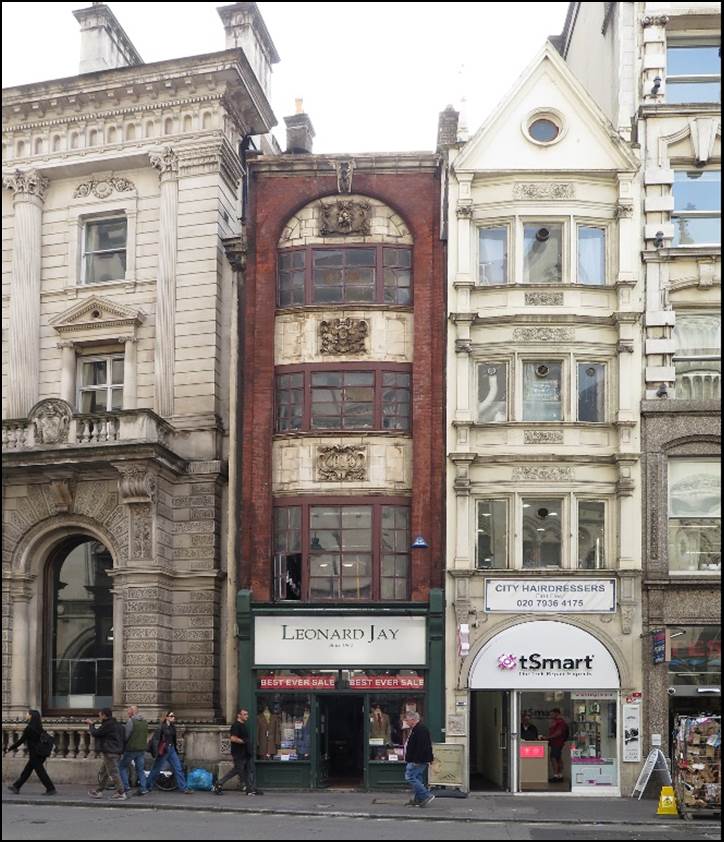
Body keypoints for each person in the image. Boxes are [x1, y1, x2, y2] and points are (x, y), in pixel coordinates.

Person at [6, 710, 57, 795]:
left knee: (40, 772)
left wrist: (10, 748)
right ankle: (16, 786)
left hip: (35, 754)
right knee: (27, 771)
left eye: (27, 714)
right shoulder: (39, 727)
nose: (26, 715)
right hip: (40, 753)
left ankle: (51, 788)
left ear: (31, 716)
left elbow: (21, 741)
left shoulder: (29, 728)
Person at [213, 708, 261, 796]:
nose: (247, 716)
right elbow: (232, 738)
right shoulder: (236, 725)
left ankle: (251, 789)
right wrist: (243, 741)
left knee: (250, 770)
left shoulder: (243, 725)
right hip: (239, 754)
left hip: (246, 753)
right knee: (237, 770)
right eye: (244, 714)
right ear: (239, 715)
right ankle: (219, 783)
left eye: (247, 714)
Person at [146, 711, 192, 794]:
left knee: (178, 768)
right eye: (171, 716)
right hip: (163, 750)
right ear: (166, 717)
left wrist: (175, 749)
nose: (173, 717)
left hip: (171, 749)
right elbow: (155, 740)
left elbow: (173, 739)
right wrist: (156, 752)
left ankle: (184, 788)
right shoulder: (161, 727)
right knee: (156, 769)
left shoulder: (172, 727)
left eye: (173, 716)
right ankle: (147, 786)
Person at [86, 707, 126, 800]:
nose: (99, 717)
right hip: (117, 752)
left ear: (104, 715)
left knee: (113, 772)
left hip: (110, 752)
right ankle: (99, 791)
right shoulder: (118, 725)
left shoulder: (108, 725)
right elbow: (124, 738)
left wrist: (91, 725)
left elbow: (96, 733)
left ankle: (121, 792)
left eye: (100, 715)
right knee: (104, 772)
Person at [403, 711, 435, 808]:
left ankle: (426, 795)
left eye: (407, 720)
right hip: (416, 759)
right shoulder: (416, 729)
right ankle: (418, 799)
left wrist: (416, 760)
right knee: (417, 778)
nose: (406, 722)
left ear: (413, 719)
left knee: (410, 777)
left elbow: (422, 747)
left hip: (417, 760)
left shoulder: (420, 730)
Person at [118, 704, 149, 796]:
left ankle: (126, 787)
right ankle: (143, 788)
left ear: (132, 712)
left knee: (122, 767)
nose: (127, 712)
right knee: (140, 769)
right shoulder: (144, 722)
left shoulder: (131, 722)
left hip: (131, 749)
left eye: (128, 711)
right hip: (141, 749)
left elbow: (126, 736)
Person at [546, 708, 569, 782]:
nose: (550, 715)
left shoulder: (561, 722)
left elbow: (558, 733)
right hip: (554, 743)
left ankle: (556, 775)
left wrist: (548, 737)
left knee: (553, 758)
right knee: (558, 758)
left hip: (557, 743)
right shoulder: (555, 722)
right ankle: (559, 775)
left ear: (557, 713)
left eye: (552, 714)